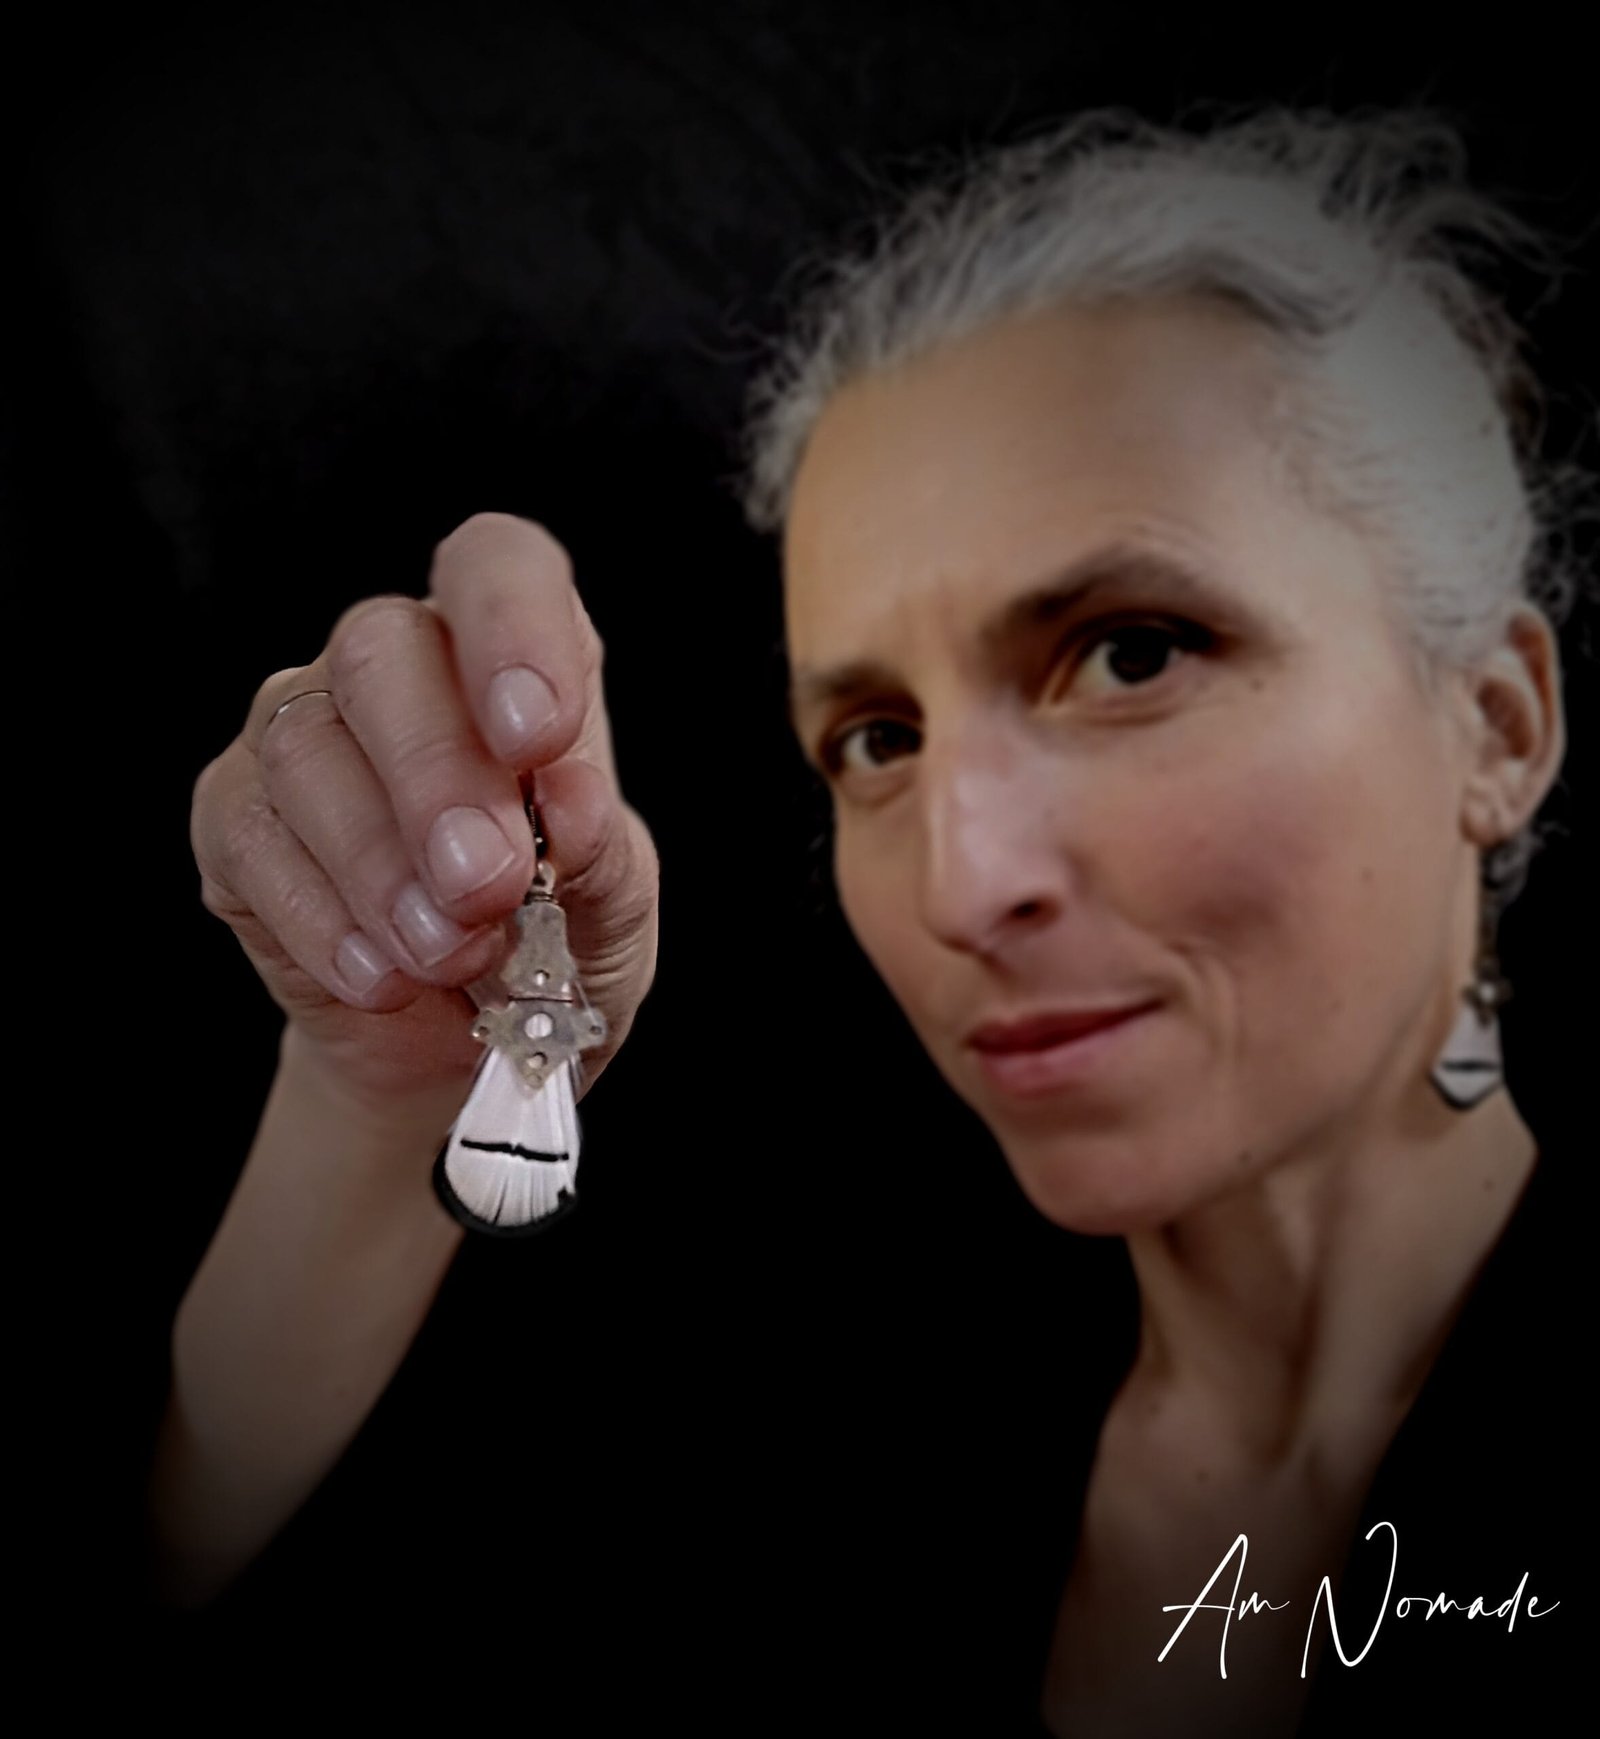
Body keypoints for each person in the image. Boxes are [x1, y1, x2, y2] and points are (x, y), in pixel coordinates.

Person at [155, 105, 1591, 1733]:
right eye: (878, 741)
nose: (964, 889)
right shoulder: (814, 1426)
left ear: (1497, 727)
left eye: (1131, 655)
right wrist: (377, 1095)